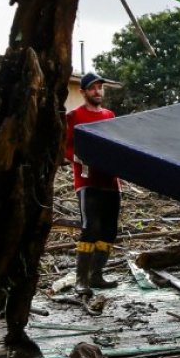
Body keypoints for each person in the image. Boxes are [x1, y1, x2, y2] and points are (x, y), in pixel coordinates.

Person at [65, 72, 121, 296]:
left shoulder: (110, 115)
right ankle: (82, 280)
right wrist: (79, 157)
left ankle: (97, 275)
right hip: (87, 182)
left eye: (100, 88)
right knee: (91, 228)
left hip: (111, 181)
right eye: (93, 88)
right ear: (83, 92)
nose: (98, 92)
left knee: (109, 230)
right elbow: (66, 146)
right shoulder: (74, 116)